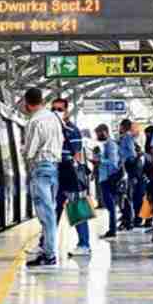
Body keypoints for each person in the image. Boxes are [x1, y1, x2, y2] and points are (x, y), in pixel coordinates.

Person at [21, 87, 63, 267]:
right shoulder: (54, 118)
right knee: (50, 211)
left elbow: (30, 150)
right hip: (54, 167)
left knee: (46, 215)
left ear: (27, 103)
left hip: (40, 167)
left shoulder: (34, 121)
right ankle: (47, 250)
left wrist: (25, 156)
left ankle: (50, 254)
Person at [51, 98, 91, 257]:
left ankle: (84, 244)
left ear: (67, 111)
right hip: (57, 170)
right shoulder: (51, 128)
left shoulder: (72, 130)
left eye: (60, 109)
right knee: (53, 209)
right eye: (53, 109)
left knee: (77, 207)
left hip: (69, 170)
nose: (56, 112)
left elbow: (77, 153)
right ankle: (45, 244)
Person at [91, 124, 120, 239]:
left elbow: (113, 162)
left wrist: (99, 160)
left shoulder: (111, 144)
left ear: (104, 132)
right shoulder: (106, 145)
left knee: (110, 205)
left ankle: (112, 230)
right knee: (109, 205)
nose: (97, 136)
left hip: (109, 178)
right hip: (105, 178)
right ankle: (112, 229)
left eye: (98, 133)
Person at [118, 119, 142, 230]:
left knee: (127, 196)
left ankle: (129, 221)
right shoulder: (126, 137)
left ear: (123, 127)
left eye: (120, 126)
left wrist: (126, 166)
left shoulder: (127, 137)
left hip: (128, 170)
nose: (119, 128)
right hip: (127, 169)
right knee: (126, 195)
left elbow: (131, 154)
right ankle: (127, 220)